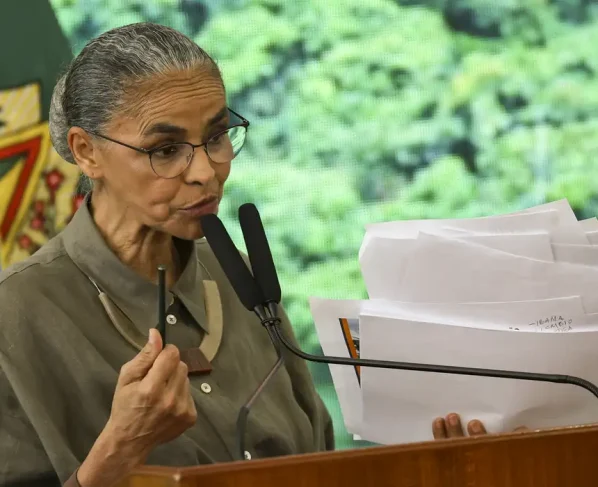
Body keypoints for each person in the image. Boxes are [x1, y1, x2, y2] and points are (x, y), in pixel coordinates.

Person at [0, 23, 488, 487]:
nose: (206, 172)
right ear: (85, 152)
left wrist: (429, 466)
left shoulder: (248, 284)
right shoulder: (16, 315)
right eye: (166, 149)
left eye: (216, 137)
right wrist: (119, 449)